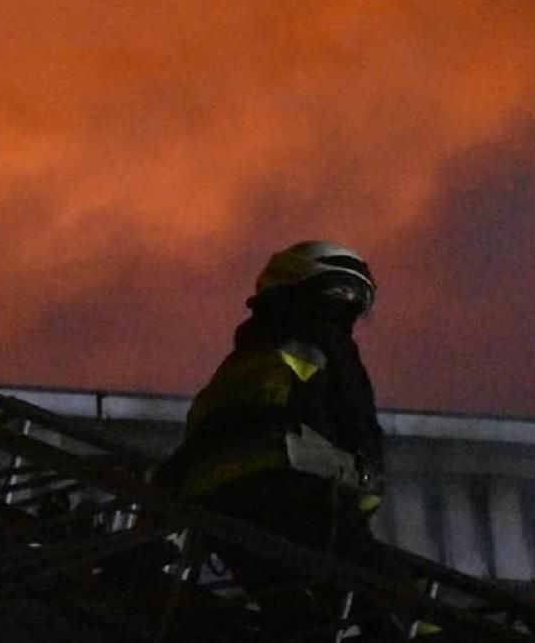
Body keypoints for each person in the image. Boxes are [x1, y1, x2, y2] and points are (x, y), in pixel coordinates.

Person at [167, 240, 417, 641]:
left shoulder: (244, 357)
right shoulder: (328, 343)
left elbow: (204, 428)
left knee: (286, 599)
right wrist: (366, 486)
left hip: (216, 500)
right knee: (387, 592)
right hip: (297, 487)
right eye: (340, 293)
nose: (347, 305)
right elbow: (357, 422)